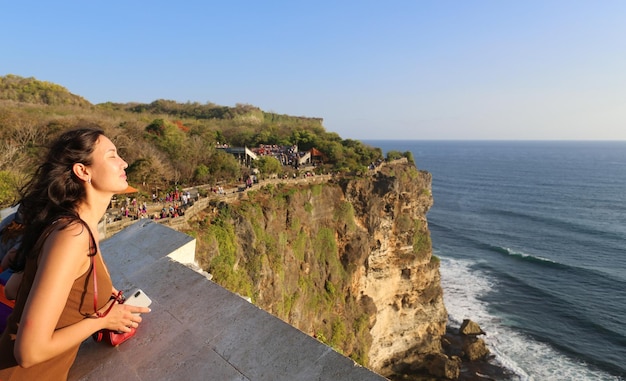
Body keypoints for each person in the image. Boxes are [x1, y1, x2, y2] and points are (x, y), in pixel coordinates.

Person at [0, 128, 150, 380]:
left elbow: (17, 287)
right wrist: (102, 320)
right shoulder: (71, 234)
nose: (124, 162)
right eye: (112, 155)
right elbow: (28, 352)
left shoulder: (76, 225)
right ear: (83, 171)